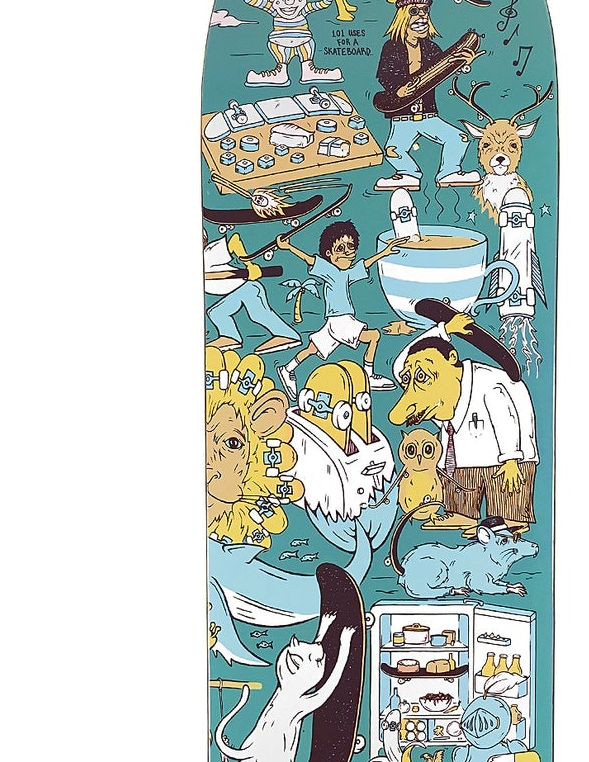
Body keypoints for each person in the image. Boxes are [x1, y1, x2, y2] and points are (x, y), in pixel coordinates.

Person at [389, 330, 538, 531]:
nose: (413, 382)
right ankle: (461, 514)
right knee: (460, 481)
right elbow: (399, 366)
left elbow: (506, 418)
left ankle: (511, 517)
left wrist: (511, 459)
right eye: (409, 378)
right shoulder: (432, 393)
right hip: (464, 457)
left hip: (507, 456)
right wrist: (443, 329)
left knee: (507, 488)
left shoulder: (487, 383)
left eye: (422, 375)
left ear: (451, 359)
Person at [373, 0, 481, 192]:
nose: (422, 16)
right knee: (393, 150)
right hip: (402, 117)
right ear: (402, 15)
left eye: (425, 10)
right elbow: (383, 75)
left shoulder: (432, 49)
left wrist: (463, 64)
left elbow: (444, 70)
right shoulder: (391, 47)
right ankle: (408, 174)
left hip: (428, 116)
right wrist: (398, 91)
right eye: (415, 11)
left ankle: (449, 172)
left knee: (460, 139)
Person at [275, 221, 397, 399]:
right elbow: (309, 259)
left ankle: (287, 369)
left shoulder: (346, 273)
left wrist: (384, 253)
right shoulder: (328, 270)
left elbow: (364, 265)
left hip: (334, 323)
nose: (347, 252)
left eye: (351, 246)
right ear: (329, 254)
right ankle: (368, 375)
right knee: (373, 336)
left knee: (312, 349)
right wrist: (288, 247)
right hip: (341, 321)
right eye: (340, 248)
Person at [234, 0, 341, 87]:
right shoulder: (273, 9)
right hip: (280, 43)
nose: (289, 2)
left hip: (303, 41)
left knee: (307, 46)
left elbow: (324, 3)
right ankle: (280, 73)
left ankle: (308, 70)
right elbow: (251, 0)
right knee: (279, 50)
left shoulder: (304, 9)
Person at [203, 230, 301, 354]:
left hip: (248, 288)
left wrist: (250, 266)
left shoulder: (209, 253)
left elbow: (234, 241)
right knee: (216, 312)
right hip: (236, 293)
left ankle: (287, 335)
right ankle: (230, 337)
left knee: (259, 314)